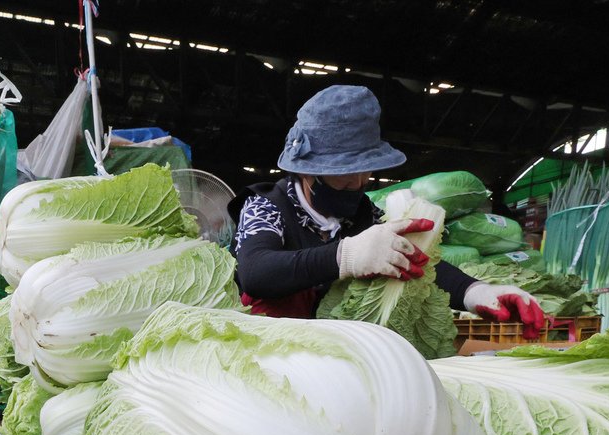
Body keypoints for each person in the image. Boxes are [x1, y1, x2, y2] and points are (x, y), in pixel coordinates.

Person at [228, 85, 544, 335]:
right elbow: (257, 273)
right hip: (267, 352)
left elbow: (412, 258)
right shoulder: (265, 207)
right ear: (306, 171)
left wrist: (474, 291)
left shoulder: (363, 216)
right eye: (344, 171)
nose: (358, 181)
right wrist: (345, 256)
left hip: (335, 355)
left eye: (366, 170)